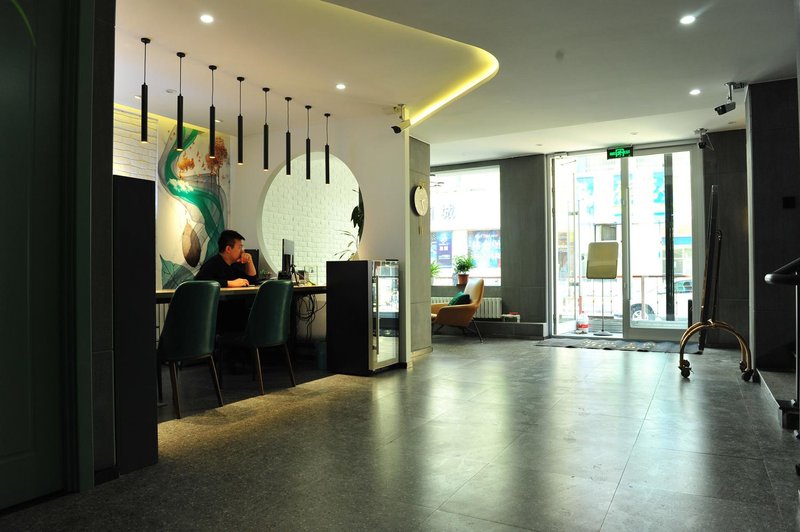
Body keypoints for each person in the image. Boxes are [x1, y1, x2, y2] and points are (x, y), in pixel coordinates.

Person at [195, 230, 257, 337]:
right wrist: (230, 283)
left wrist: (250, 261)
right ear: (228, 249)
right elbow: (200, 283)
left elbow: (252, 280)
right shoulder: (213, 264)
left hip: (234, 315)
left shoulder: (233, 265)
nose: (242, 251)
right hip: (221, 317)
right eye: (239, 247)